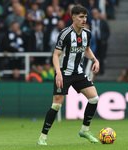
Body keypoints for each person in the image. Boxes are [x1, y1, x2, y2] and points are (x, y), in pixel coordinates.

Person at [37, 6, 100, 145]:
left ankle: (84, 130)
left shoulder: (87, 34)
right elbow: (56, 54)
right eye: (81, 17)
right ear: (73, 17)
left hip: (78, 73)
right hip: (63, 73)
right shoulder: (65, 34)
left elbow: (87, 50)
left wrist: (95, 60)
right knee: (56, 105)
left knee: (94, 98)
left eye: (85, 17)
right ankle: (42, 137)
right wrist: (58, 72)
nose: (84, 20)